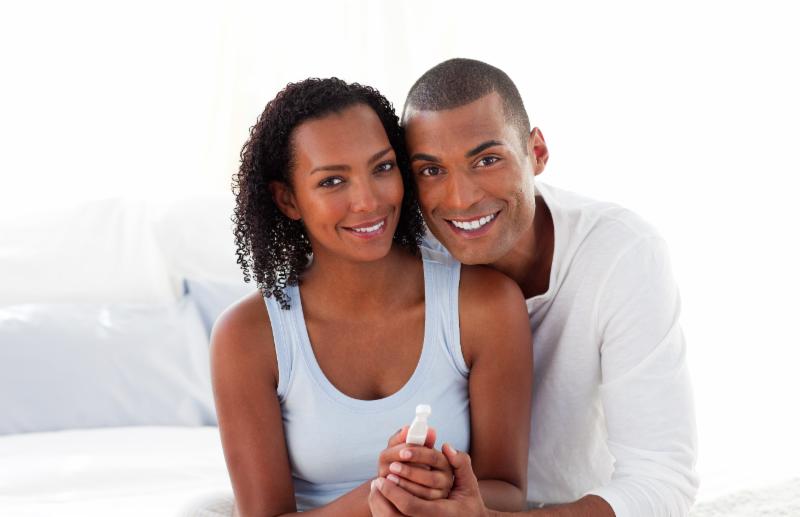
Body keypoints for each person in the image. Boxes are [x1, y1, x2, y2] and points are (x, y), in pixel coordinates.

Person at [369, 59, 699, 516]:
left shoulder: (619, 253)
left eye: (487, 160)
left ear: (537, 152)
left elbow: (663, 481)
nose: (461, 198)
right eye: (431, 170)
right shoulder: (396, 256)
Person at [209, 77, 533, 516]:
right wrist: (387, 491)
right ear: (288, 199)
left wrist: (449, 487)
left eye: (382, 168)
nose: (367, 201)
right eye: (332, 181)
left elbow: (509, 492)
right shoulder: (247, 336)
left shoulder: (484, 305)